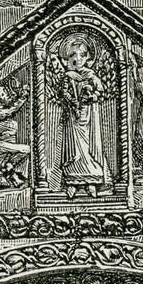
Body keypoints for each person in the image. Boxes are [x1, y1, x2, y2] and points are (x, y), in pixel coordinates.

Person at [51, 33, 111, 198]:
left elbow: (100, 90)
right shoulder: (68, 76)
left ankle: (91, 182)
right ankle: (72, 183)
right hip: (72, 116)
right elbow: (62, 92)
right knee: (74, 149)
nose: (77, 59)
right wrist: (70, 99)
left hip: (89, 116)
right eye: (72, 55)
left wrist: (91, 97)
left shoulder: (91, 75)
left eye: (82, 55)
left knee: (89, 147)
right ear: (66, 59)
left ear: (88, 58)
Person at [0, 83, 30, 188]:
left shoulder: (5, 112)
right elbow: (11, 111)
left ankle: (6, 171)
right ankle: (5, 173)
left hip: (7, 145)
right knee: (26, 149)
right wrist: (23, 98)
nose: (10, 97)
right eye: (7, 95)